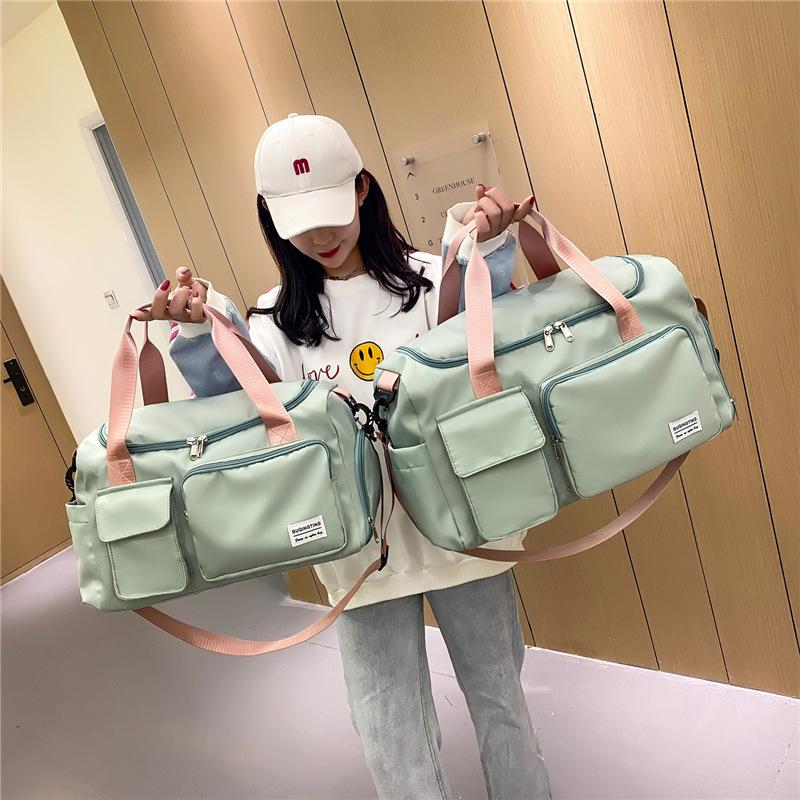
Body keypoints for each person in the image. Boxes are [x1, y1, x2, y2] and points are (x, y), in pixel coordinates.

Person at [151, 113, 552, 800]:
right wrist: (202, 331)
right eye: (298, 223)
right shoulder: (274, 321)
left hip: (463, 533)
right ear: (270, 217)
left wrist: (486, 248)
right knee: (391, 735)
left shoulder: (433, 278)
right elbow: (249, 414)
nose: (319, 237)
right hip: (358, 555)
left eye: (332, 212)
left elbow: (480, 353)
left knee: (500, 701)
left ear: (363, 189)